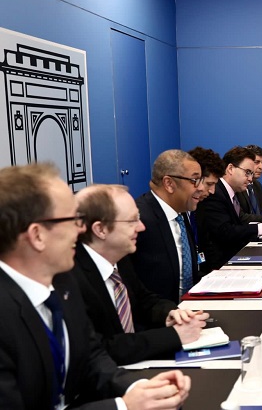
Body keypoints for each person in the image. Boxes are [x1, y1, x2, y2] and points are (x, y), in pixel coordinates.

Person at [0, 163, 190, 409]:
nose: (81, 229)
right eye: (72, 219)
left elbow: (91, 356)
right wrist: (124, 406)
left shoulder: (62, 281)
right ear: (37, 235)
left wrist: (135, 388)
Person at [71, 184, 209, 364]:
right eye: (132, 221)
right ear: (101, 229)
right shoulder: (72, 277)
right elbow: (101, 348)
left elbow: (143, 299)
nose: (142, 227)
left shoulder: (120, 257)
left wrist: (169, 313)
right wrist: (174, 336)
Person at [131, 150, 203, 303]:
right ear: (169, 184)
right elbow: (134, 288)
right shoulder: (139, 220)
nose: (201, 188)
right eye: (194, 180)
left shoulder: (181, 212)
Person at [196, 146, 262, 272]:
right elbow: (225, 231)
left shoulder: (231, 192)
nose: (250, 179)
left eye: (251, 174)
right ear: (230, 168)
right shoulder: (215, 193)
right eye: (247, 172)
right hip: (218, 268)